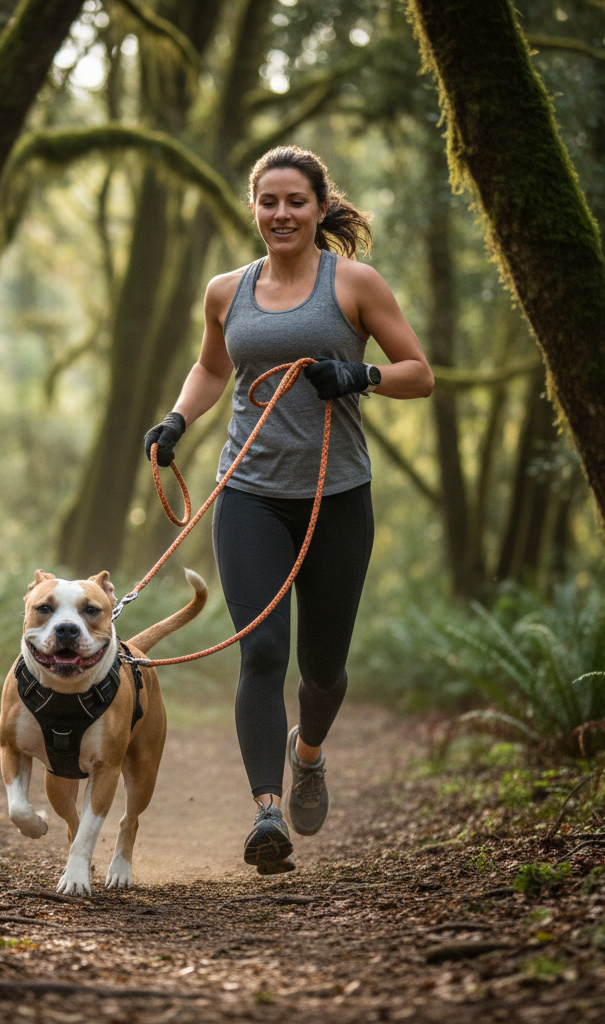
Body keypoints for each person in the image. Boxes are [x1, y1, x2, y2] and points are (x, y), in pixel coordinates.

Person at [143, 145, 434, 875]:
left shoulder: (355, 283)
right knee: (263, 651)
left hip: (338, 497)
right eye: (268, 202)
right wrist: (176, 421)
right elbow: (212, 367)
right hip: (250, 496)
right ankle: (267, 812)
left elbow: (419, 373)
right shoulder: (226, 291)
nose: (281, 214)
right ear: (254, 208)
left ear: (318, 207)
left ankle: (308, 753)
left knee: (323, 670)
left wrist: (360, 374)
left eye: (295, 201)